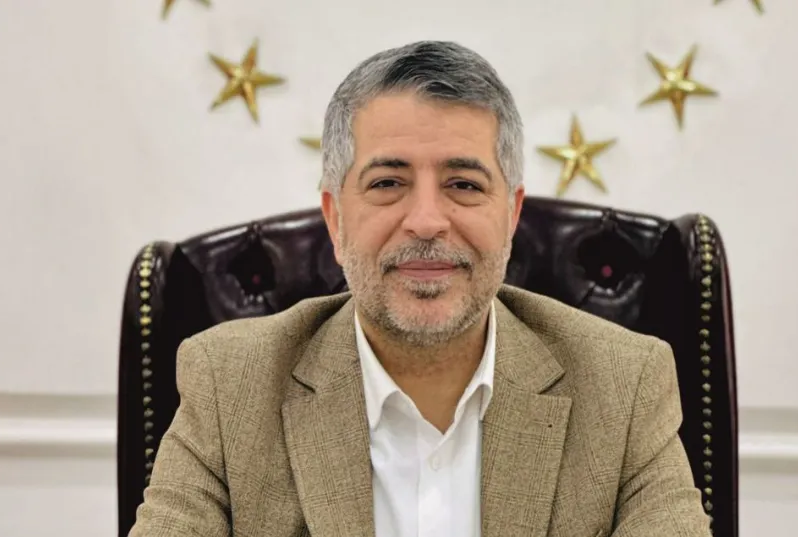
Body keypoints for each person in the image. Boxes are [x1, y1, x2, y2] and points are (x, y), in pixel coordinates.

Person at [129, 40, 711, 537]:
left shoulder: (624, 386)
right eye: (388, 183)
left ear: (511, 216)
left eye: (464, 184)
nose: (427, 221)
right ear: (335, 219)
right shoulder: (230, 386)